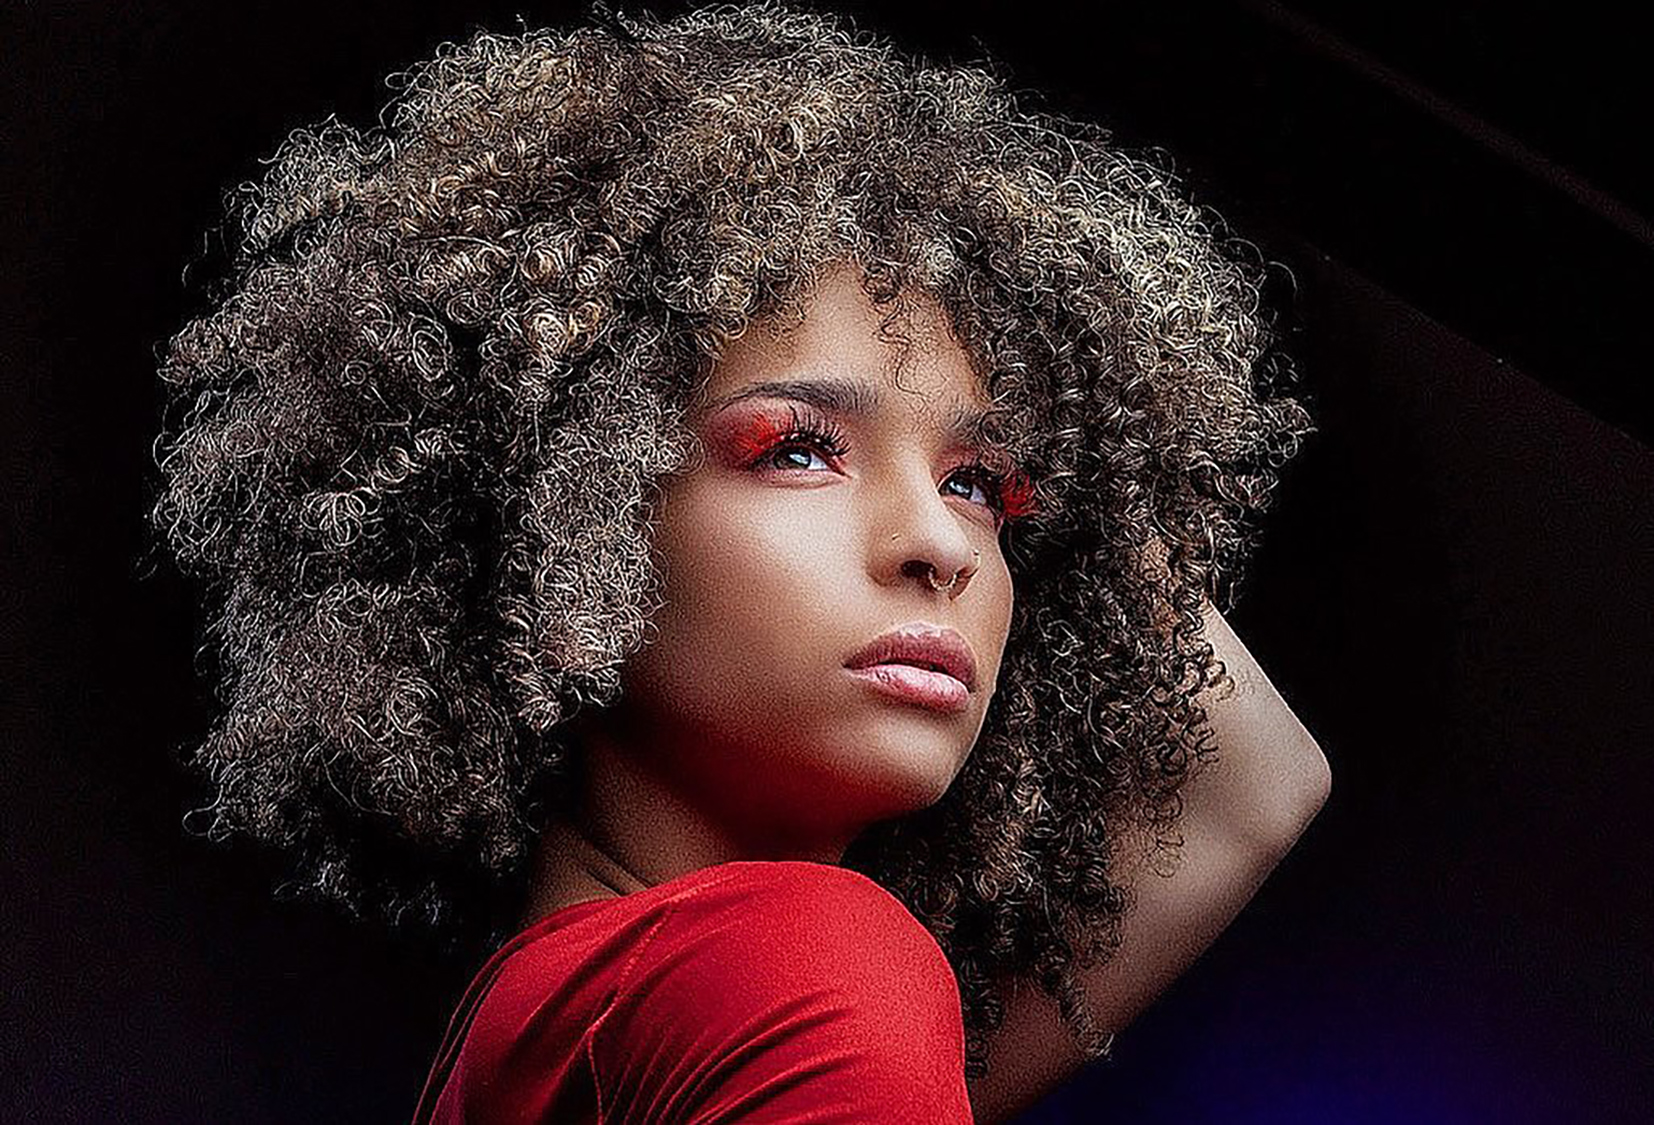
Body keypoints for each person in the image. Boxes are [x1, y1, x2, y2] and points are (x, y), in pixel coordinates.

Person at [147, 2, 1331, 1120]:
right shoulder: (798, 980)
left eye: (978, 485)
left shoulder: (562, 1025)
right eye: (799, 449)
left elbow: (1255, 788)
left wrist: (1096, 455)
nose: (939, 546)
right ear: (563, 521)